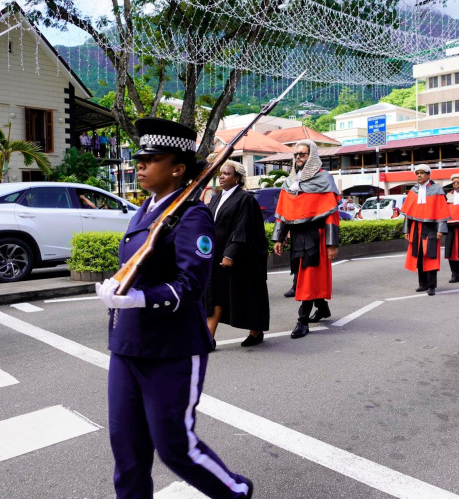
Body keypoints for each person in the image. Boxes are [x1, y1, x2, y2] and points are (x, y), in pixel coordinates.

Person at [95, 117, 253, 499]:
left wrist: (139, 298)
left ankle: (235, 491)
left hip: (172, 348)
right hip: (128, 344)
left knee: (174, 447)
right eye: (140, 158)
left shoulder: (192, 215)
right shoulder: (146, 207)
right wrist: (119, 285)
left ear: (178, 168)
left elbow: (191, 284)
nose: (140, 165)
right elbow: (140, 262)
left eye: (151, 159)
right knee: (127, 448)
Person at [272, 140, 340, 339]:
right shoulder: (290, 182)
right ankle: (323, 308)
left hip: (316, 237)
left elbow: (331, 215)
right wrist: (279, 238)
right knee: (303, 277)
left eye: (302, 154)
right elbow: (282, 213)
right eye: (296, 154)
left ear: (312, 156)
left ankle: (302, 321)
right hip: (297, 236)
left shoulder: (324, 179)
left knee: (309, 279)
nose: (298, 157)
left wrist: (332, 243)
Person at [204, 160, 270, 348]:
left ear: (238, 179)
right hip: (216, 254)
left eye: (226, 174)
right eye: (221, 173)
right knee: (215, 294)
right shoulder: (216, 197)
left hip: (243, 258)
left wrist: (230, 254)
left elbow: (243, 229)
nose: (222, 177)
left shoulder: (245, 199)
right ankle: (209, 337)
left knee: (248, 294)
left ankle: (256, 332)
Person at [401, 164, 449, 296]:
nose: (419, 175)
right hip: (416, 227)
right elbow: (407, 214)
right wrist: (406, 230)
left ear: (428, 174)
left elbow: (442, 212)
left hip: (431, 227)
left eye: (422, 173)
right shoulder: (413, 190)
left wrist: (441, 230)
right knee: (419, 255)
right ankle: (422, 284)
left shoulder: (437, 189)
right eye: (417, 173)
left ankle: (431, 285)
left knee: (430, 255)